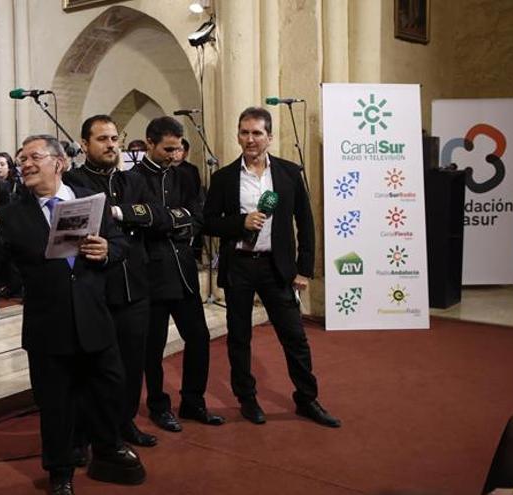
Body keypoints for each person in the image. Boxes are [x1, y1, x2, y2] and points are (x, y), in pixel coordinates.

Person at [0, 134, 145, 495]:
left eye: (34, 157)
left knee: (109, 387)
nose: (26, 164)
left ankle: (107, 448)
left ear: (59, 163)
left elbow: (122, 244)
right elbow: (1, 271)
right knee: (56, 401)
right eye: (22, 160)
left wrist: (108, 250)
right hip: (48, 321)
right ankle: (60, 469)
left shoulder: (89, 200)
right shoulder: (14, 215)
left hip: (94, 314)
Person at [202, 106, 340, 428]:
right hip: (239, 267)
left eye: (256, 133)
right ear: (238, 135)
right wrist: (240, 222)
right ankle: (247, 399)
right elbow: (207, 223)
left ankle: (307, 399)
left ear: (270, 137)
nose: (250, 139)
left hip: (277, 269)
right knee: (239, 338)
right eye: (244, 133)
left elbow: (305, 223)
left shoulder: (290, 173)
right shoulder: (223, 178)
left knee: (294, 337)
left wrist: (304, 270)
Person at [64, 115, 157, 448]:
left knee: (133, 364)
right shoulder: (73, 181)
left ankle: (124, 422)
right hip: (96, 288)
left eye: (114, 138)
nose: (111, 145)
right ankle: (88, 431)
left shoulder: (133, 180)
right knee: (93, 367)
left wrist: (118, 212)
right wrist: (130, 214)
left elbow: (157, 216)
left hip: (134, 285)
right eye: (102, 139)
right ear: (85, 143)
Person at [129, 116, 225, 433]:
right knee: (152, 348)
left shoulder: (186, 175)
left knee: (199, 337)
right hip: (152, 275)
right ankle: (158, 405)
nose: (173, 155)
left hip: (183, 270)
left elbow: (198, 216)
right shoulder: (133, 179)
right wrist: (170, 220)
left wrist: (169, 220)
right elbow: (143, 222)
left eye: (178, 148)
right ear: (150, 143)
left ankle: (193, 401)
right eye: (168, 149)